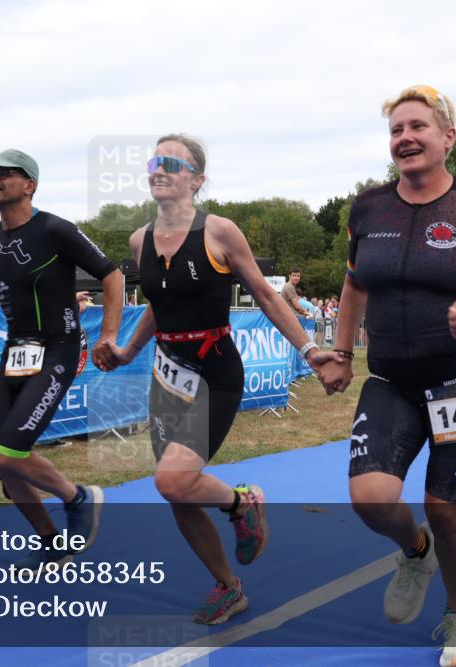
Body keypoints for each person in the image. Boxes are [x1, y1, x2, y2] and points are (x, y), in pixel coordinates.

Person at [319, 85, 456, 667]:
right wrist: (341, 351)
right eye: (396, 130)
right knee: (370, 498)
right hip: (390, 378)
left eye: (418, 127)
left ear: (448, 137)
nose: (406, 138)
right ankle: (415, 552)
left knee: (447, 508)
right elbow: (355, 283)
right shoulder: (367, 207)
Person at [102, 134, 341, 624]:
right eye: (154, 161)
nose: (159, 169)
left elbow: (268, 296)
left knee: (171, 478)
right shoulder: (139, 240)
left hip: (215, 372)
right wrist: (127, 350)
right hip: (167, 377)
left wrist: (309, 348)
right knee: (177, 492)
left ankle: (242, 504)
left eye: (172, 163)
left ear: (197, 179)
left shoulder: (220, 232)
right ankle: (228, 587)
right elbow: (157, 306)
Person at [0, 148, 123, 571]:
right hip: (15, 353)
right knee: (3, 466)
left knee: (9, 452)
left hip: (58, 349)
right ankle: (52, 541)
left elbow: (112, 275)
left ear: (30, 185)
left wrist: (111, 335)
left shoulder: (56, 229)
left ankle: (79, 498)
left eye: (3, 174)